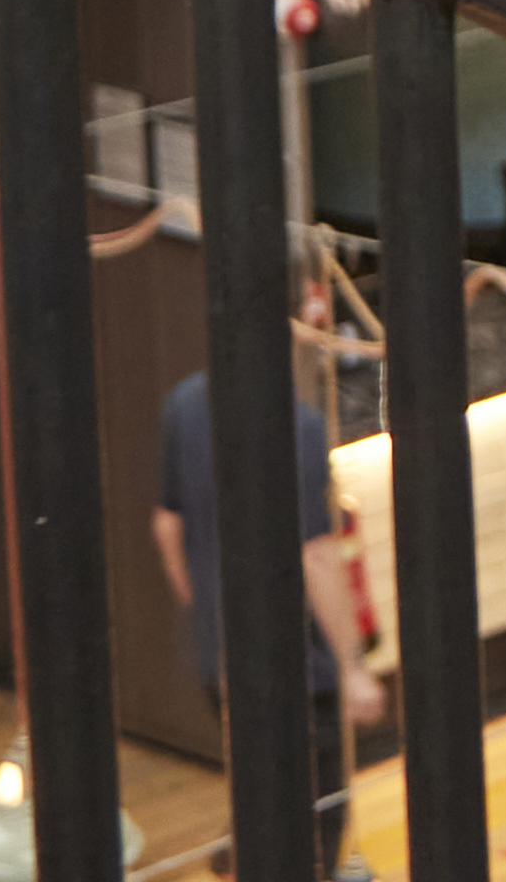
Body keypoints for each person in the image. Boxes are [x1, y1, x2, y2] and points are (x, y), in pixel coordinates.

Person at [154, 335, 380, 853]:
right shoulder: (297, 427)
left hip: (221, 658)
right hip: (298, 666)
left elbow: (167, 525)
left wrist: (205, 610)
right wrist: (352, 668)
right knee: (316, 819)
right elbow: (316, 556)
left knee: (259, 798)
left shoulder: (184, 403)